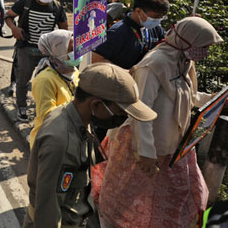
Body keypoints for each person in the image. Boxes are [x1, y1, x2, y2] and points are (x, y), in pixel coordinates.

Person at [93, 17, 223, 228]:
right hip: (144, 147)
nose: (205, 52)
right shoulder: (153, 64)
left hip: (174, 147)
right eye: (203, 46)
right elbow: (140, 110)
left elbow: (187, 95)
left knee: (185, 197)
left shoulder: (183, 60)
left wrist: (214, 99)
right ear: (187, 40)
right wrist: (145, 152)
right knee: (128, 200)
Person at [24, 63, 157, 228]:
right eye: (120, 112)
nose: (123, 118)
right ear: (95, 105)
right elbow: (47, 211)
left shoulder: (78, 119)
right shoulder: (60, 141)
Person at [5, 0, 68, 121]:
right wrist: (14, 29)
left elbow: (64, 30)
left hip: (47, 52)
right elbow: (8, 16)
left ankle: (42, 109)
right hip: (26, 48)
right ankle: (21, 106)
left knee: (45, 82)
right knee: (23, 80)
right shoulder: (25, 3)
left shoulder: (57, 7)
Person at [92, 0, 168, 70]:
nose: (158, 20)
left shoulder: (156, 29)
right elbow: (95, 57)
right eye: (155, 17)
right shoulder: (118, 32)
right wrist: (122, 73)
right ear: (138, 11)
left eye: (161, 17)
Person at [28, 30, 80, 146]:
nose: (76, 53)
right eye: (71, 49)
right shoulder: (45, 80)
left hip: (70, 137)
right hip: (50, 142)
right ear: (58, 51)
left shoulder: (73, 71)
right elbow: (48, 116)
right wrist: (80, 108)